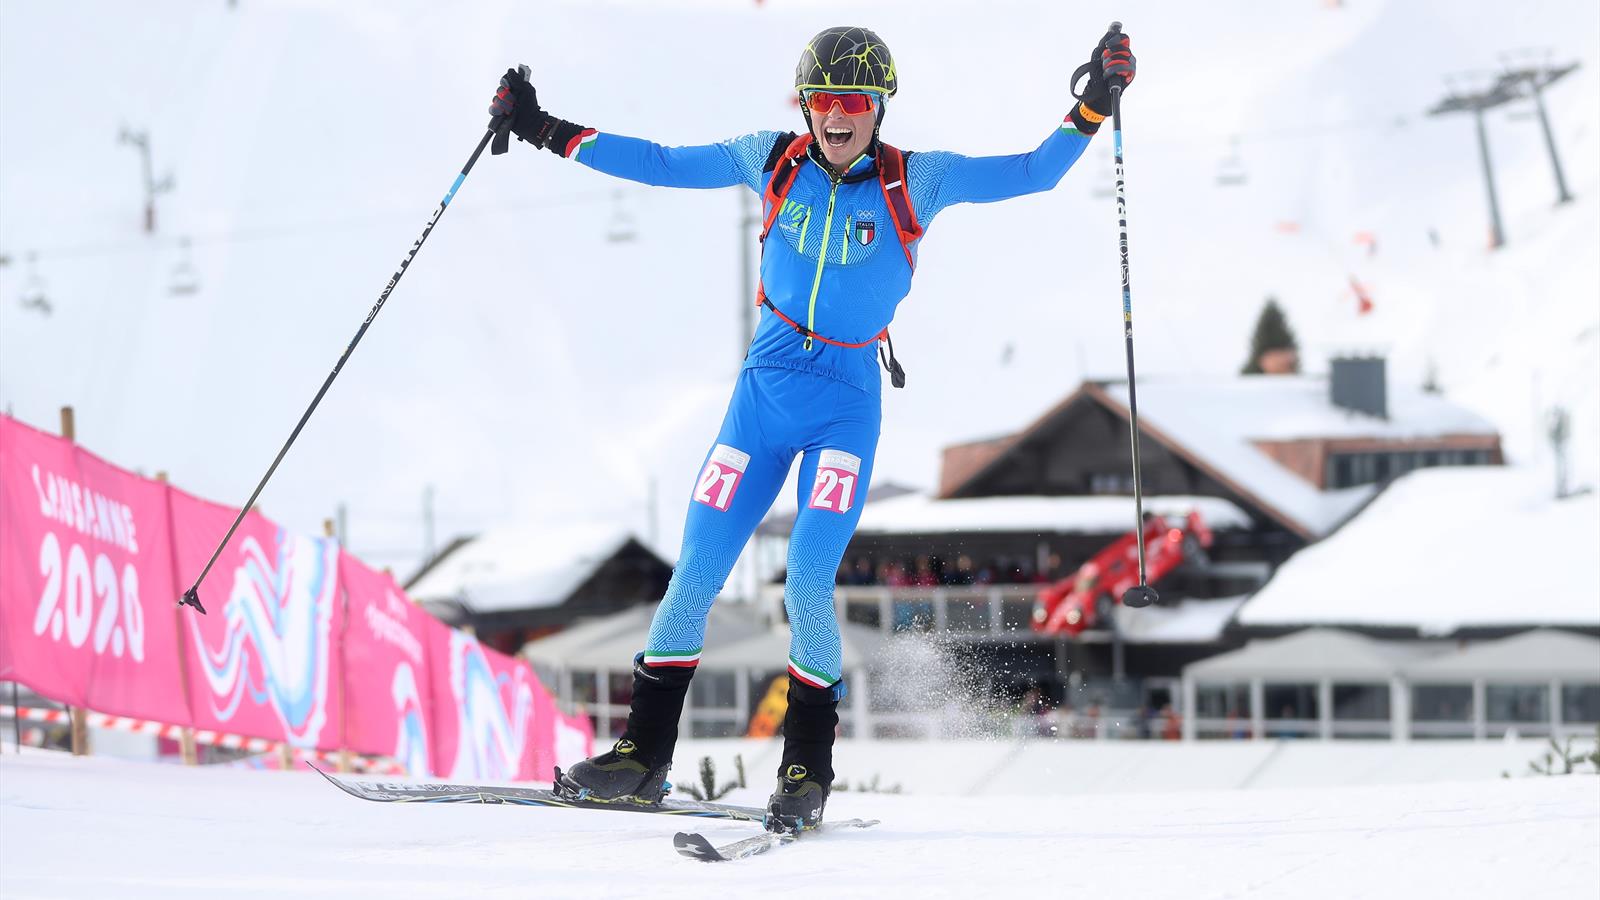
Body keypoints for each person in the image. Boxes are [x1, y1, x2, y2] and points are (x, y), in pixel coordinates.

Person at [489, 24, 1135, 832]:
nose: (837, 116)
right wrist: (542, 127)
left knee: (804, 581)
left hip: (844, 406)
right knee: (694, 573)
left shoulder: (916, 182)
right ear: (804, 106)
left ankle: (806, 771)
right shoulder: (770, 160)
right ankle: (642, 758)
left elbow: (1035, 174)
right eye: (822, 100)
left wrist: (1092, 106)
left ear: (877, 109)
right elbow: (657, 162)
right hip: (760, 398)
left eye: (854, 102)